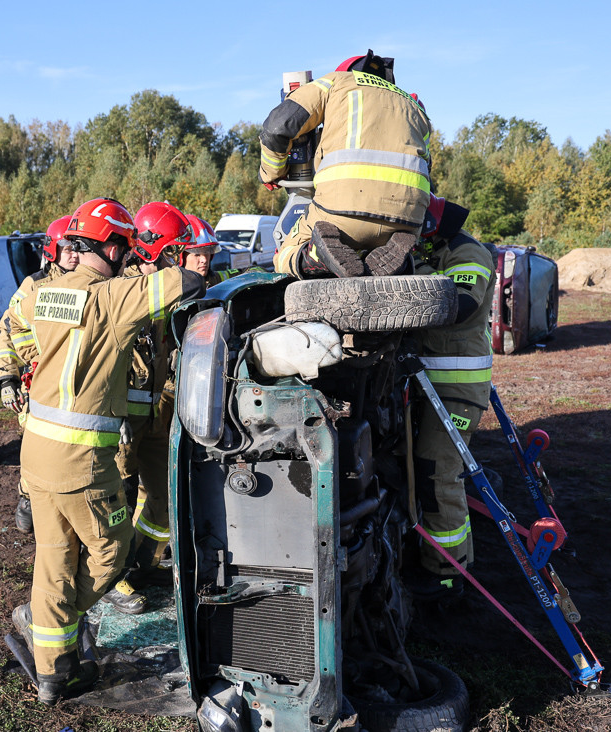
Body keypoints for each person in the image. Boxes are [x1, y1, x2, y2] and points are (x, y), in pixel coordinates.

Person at [9, 197, 205, 706]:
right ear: (116, 247)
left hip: (36, 453)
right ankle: (59, 619)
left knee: (53, 560)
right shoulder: (114, 299)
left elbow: (18, 328)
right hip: (82, 462)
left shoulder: (47, 292)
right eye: (125, 248)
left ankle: (54, 674)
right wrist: (159, 251)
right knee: (110, 552)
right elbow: (188, 282)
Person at [258, 51, 433, 279]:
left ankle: (313, 257)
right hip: (408, 220)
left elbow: (278, 126)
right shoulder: (413, 104)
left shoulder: (336, 82)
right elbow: (426, 165)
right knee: (381, 258)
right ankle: (402, 263)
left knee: (284, 254)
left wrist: (272, 172)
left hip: (340, 210)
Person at [102, 201, 195, 614]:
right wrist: (114, 414)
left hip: (157, 416)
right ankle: (113, 576)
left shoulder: (161, 288)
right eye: (173, 250)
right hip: (122, 420)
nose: (178, 259)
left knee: (162, 496)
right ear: (152, 246)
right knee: (117, 501)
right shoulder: (119, 292)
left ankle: (144, 562)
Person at [408, 195, 497, 600]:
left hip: (456, 390)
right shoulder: (440, 248)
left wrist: (415, 267)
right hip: (431, 384)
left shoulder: (467, 252)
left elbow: (458, 305)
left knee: (436, 473)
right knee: (418, 470)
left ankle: (448, 572)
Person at [0, 215, 79, 533]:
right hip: (38, 383)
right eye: (67, 248)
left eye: (78, 248)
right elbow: (6, 332)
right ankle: (28, 496)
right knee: (36, 445)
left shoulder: (94, 283)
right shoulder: (34, 286)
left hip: (76, 383)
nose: (73, 254)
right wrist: (7, 379)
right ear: (51, 252)